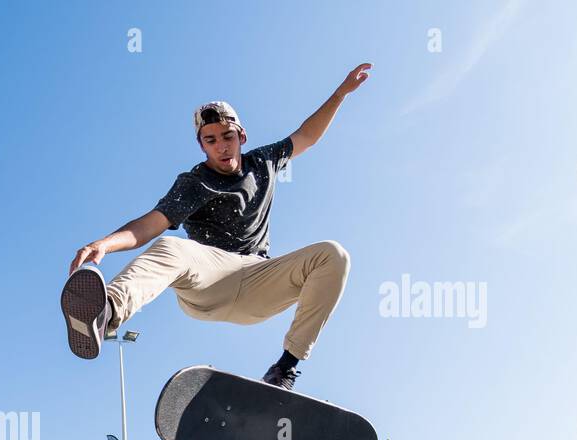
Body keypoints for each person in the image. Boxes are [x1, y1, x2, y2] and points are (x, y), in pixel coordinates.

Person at [61, 64, 371, 390]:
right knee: (171, 246)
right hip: (209, 278)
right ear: (202, 145)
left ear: (242, 136)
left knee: (332, 255)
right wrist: (105, 244)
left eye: (228, 137)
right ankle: (104, 312)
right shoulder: (194, 183)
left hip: (259, 280)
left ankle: (284, 369)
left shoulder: (263, 161)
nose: (222, 147)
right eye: (211, 141)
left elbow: (306, 136)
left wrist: (339, 94)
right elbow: (150, 225)